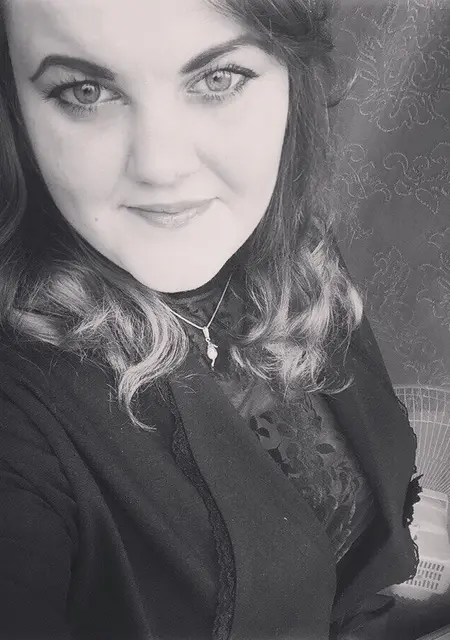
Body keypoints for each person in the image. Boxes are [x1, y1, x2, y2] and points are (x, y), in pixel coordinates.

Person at [0, 0, 422, 638]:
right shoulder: (19, 417)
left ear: (292, 80)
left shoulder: (290, 253)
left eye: (218, 78)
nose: (161, 167)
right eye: (85, 91)